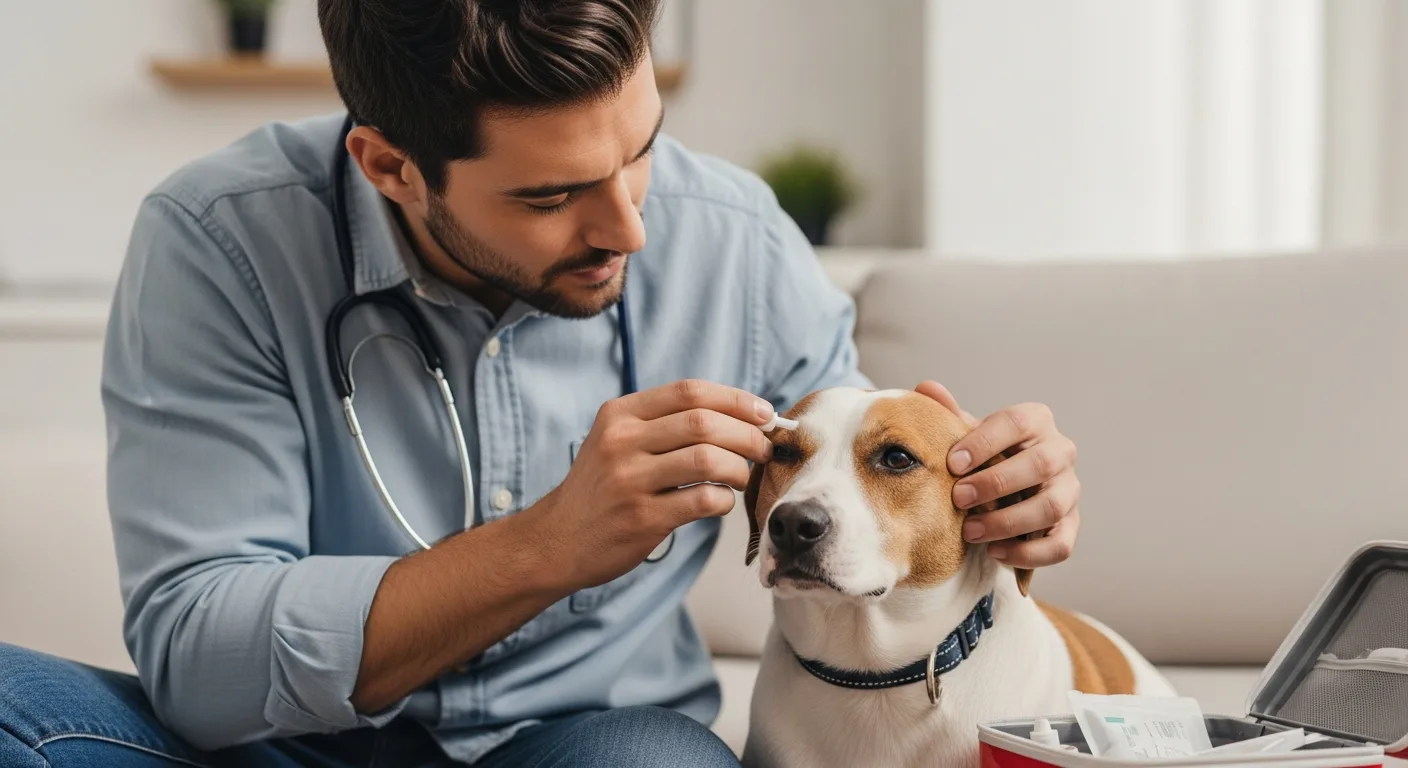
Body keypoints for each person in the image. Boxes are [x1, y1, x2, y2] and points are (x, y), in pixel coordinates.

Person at [0, 1, 1082, 766]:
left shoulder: (738, 242)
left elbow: (861, 489)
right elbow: (197, 653)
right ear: (389, 167)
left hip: (594, 740)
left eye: (642, 149)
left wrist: (1001, 487)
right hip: (280, 751)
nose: (629, 226)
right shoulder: (220, 242)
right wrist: (548, 546)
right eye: (553, 194)